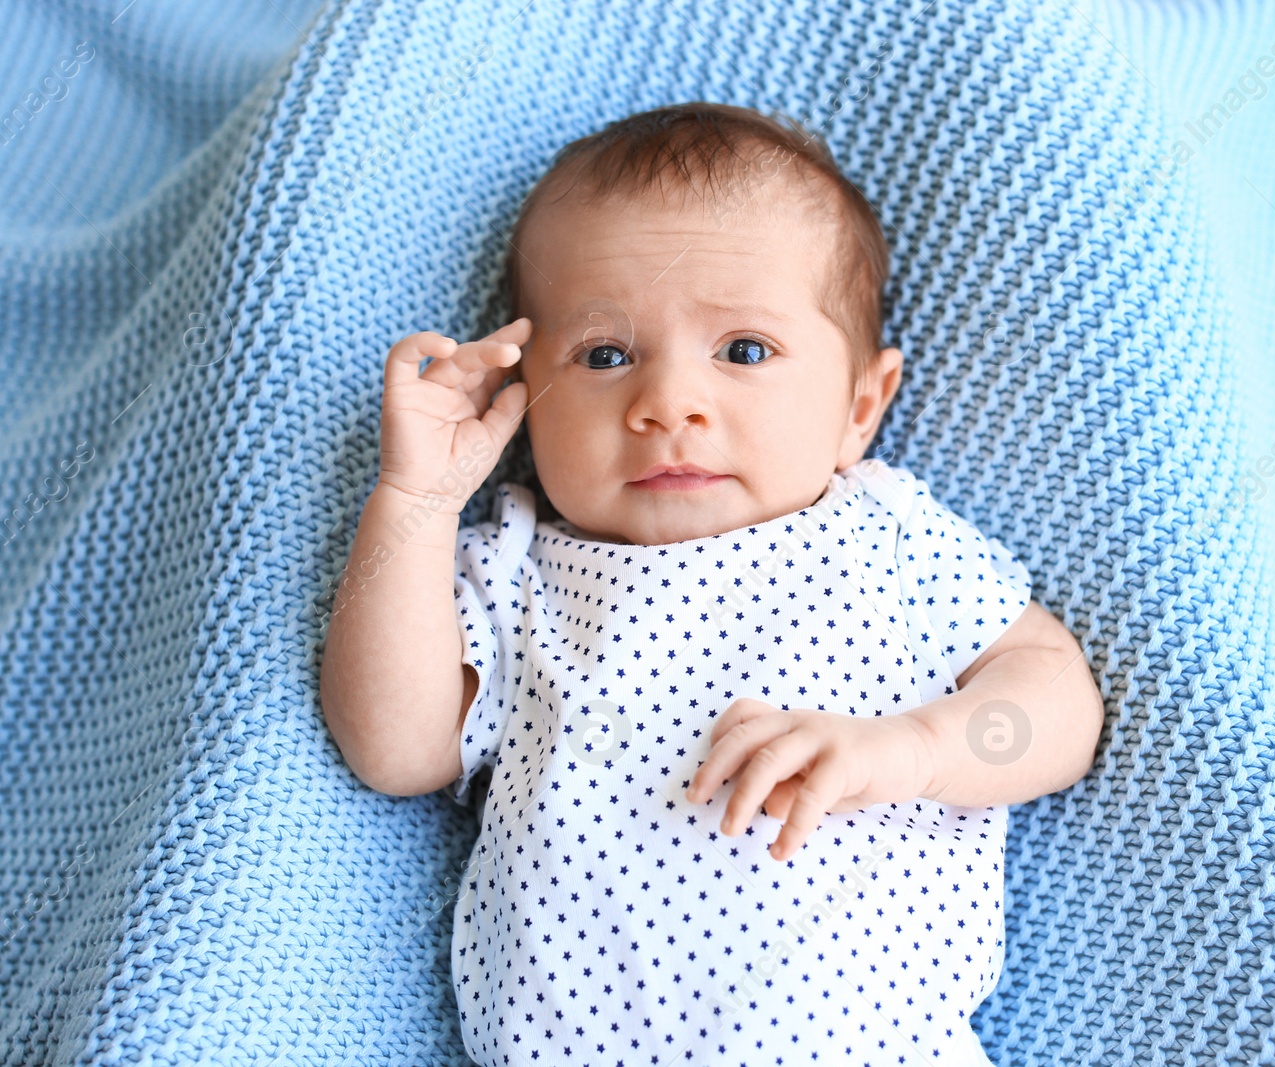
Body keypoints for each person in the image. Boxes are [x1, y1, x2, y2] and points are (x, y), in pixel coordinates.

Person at [320, 101, 1104, 1067]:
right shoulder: (519, 561)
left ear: (861, 405)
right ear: (530, 400)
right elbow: (396, 749)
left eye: (743, 351)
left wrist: (911, 751)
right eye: (604, 356)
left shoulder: (885, 532)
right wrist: (415, 499)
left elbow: (1057, 700)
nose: (667, 404)